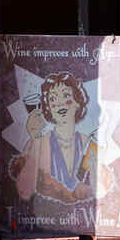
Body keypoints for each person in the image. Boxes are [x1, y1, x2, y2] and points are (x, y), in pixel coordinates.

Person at [11, 72, 96, 204]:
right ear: (48, 108)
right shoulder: (38, 141)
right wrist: (34, 138)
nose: (60, 103)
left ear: (78, 102)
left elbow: (100, 191)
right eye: (53, 99)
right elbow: (25, 192)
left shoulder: (88, 142)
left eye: (66, 95)